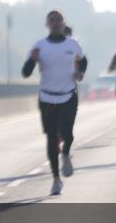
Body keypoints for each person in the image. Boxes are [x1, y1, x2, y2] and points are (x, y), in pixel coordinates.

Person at [22, 10, 87, 196]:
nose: (56, 23)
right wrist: (32, 60)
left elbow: (83, 61)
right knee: (51, 138)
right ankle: (56, 179)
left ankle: (65, 153)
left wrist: (80, 72)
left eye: (59, 20)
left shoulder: (73, 44)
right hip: (47, 97)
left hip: (68, 95)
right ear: (47, 24)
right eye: (52, 20)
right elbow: (26, 72)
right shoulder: (40, 46)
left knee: (67, 133)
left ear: (63, 23)